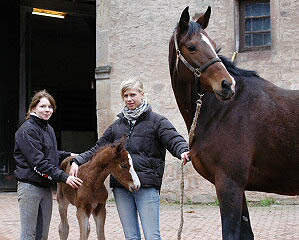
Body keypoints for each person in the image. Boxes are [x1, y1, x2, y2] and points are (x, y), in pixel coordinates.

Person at [69, 78, 190, 240]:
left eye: (133, 95)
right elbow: (97, 149)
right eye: (125, 96)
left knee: (152, 236)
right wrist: (77, 161)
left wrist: (182, 150)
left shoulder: (157, 121)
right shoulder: (116, 126)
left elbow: (173, 139)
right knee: (131, 236)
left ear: (142, 94)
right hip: (121, 187)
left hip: (146, 184)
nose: (129, 99)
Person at [14, 90, 83, 240]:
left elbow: (52, 154)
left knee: (42, 236)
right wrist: (65, 177)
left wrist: (71, 155)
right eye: (43, 106)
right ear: (33, 108)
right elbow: (39, 162)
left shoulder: (48, 129)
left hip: (45, 188)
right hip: (29, 188)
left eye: (50, 107)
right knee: (28, 235)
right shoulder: (26, 130)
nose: (47, 110)